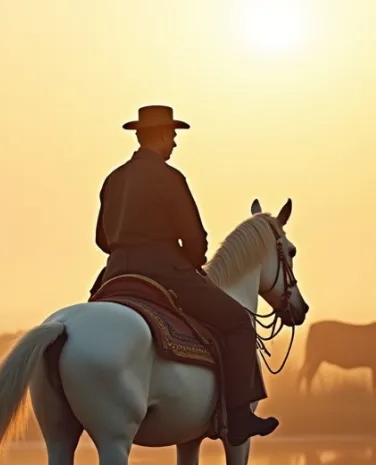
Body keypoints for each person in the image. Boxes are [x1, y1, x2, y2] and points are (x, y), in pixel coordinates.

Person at [90, 105, 277, 446]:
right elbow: (195, 239)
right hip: (166, 273)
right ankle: (237, 416)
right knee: (236, 321)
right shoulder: (170, 178)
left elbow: (102, 240)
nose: (174, 143)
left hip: (114, 274)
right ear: (160, 135)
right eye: (172, 135)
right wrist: (190, 262)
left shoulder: (113, 179)